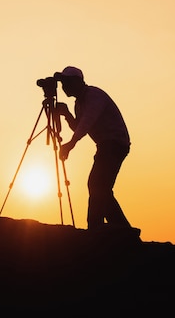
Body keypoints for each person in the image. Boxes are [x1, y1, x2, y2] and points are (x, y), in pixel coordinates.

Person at [55, 66, 136, 233]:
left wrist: (71, 144)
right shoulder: (79, 103)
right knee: (100, 188)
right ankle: (118, 230)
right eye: (63, 83)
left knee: (97, 186)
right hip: (106, 146)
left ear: (78, 82)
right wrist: (67, 113)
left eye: (67, 82)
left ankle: (99, 228)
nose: (64, 87)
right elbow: (79, 126)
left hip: (114, 144)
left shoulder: (94, 96)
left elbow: (87, 123)